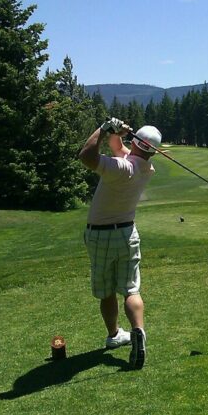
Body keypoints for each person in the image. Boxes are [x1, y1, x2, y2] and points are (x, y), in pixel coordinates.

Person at [78, 118, 162, 370]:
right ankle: (138, 330)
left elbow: (86, 156)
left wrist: (104, 130)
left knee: (106, 290)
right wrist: (119, 134)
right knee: (130, 289)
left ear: (137, 143)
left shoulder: (121, 168)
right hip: (127, 233)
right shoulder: (146, 168)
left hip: (100, 235)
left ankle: (114, 334)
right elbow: (118, 148)